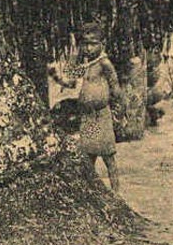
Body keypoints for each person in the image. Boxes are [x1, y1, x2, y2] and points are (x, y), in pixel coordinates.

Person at [49, 22, 122, 191]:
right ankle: (94, 192)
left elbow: (115, 86)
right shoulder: (86, 64)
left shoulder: (104, 63)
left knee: (108, 157)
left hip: (101, 115)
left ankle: (116, 192)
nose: (88, 48)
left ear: (102, 44)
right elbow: (71, 79)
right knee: (89, 157)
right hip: (88, 117)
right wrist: (72, 58)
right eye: (85, 44)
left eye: (93, 44)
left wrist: (119, 109)